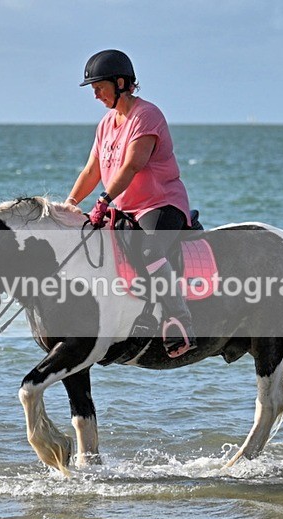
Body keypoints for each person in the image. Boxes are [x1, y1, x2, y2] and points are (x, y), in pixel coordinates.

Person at [65, 49, 196, 358]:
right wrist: (71, 202)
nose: (95, 95)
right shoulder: (105, 125)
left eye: (99, 87)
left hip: (160, 205)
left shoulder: (146, 116)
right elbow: (91, 170)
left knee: (149, 250)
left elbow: (132, 166)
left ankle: (180, 320)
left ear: (120, 83)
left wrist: (104, 198)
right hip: (124, 208)